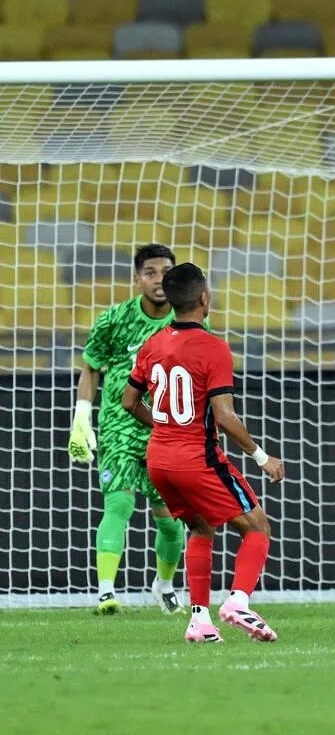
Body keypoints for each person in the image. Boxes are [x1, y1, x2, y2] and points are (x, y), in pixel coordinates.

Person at [122, 263, 285, 644]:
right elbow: (224, 417)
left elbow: (128, 401)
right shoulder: (214, 347)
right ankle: (238, 602)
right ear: (204, 298)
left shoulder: (153, 343)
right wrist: (262, 457)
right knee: (258, 527)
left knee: (200, 527)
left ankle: (199, 619)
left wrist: (165, 426)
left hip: (159, 459)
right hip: (197, 459)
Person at [68, 244, 186, 615]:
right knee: (118, 504)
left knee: (170, 523)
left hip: (166, 431)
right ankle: (106, 592)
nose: (158, 278)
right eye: (150, 272)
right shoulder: (114, 320)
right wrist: (82, 416)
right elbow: (92, 367)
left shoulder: (188, 321)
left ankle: (163, 585)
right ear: (137, 279)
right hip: (120, 425)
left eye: (165, 271)